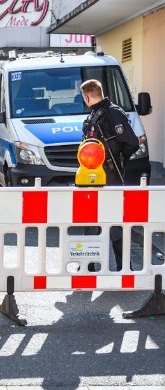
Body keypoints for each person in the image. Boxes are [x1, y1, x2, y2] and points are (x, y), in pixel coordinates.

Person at [80, 79, 139, 271]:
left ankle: (123, 267)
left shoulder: (112, 113)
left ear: (87, 97)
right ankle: (89, 266)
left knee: (114, 223)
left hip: (110, 176)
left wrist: (118, 162)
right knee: (91, 221)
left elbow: (131, 143)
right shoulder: (96, 114)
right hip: (93, 177)